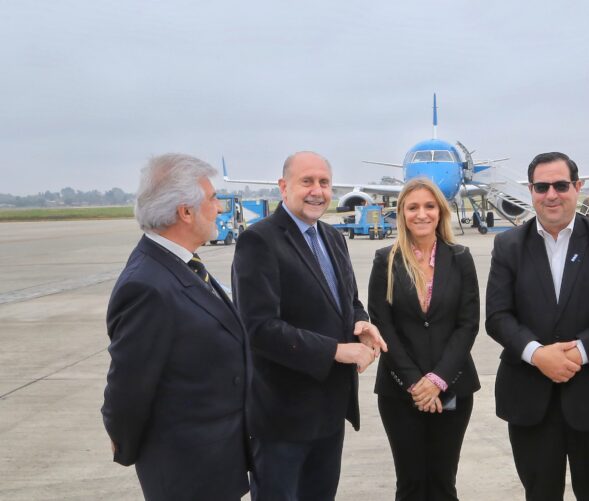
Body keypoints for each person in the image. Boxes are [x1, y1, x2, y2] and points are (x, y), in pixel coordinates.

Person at [486, 151, 589, 501]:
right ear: (530, 190)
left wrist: (579, 352)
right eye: (542, 187)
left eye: (560, 185)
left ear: (578, 187)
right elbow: (497, 316)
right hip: (530, 399)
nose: (551, 194)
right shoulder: (508, 245)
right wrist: (537, 354)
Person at [232, 151, 388, 501]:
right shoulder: (259, 241)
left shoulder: (333, 238)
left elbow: (348, 302)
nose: (317, 190)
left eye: (324, 182)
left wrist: (361, 324)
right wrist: (335, 350)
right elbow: (258, 328)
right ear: (283, 187)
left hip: (329, 410)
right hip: (283, 416)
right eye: (307, 182)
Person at [101, 154, 251, 500]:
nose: (219, 209)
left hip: (213, 461)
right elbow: (128, 387)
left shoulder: (180, 264)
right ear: (185, 212)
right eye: (213, 199)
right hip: (186, 470)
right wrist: (126, 446)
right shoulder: (147, 285)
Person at [368, 178, 480, 500]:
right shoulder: (385, 259)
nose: (421, 214)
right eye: (412, 207)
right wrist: (416, 383)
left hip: (452, 387)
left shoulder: (460, 258)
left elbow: (468, 324)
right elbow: (383, 325)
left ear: (440, 211)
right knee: (411, 484)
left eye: (429, 206)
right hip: (400, 391)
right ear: (402, 213)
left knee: (443, 482)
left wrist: (438, 380)